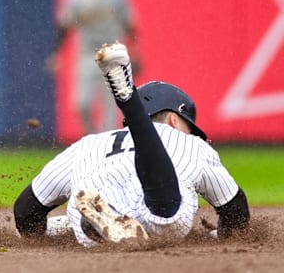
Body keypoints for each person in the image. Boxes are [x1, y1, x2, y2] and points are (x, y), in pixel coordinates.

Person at [14, 42, 250, 246]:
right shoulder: (191, 144)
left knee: (82, 209)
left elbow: (25, 211)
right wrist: (216, 236)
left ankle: (104, 220)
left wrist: (52, 235)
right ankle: (127, 98)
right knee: (164, 209)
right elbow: (235, 210)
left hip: (89, 223)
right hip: (163, 213)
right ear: (173, 120)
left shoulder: (87, 145)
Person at [49, 0, 137, 134]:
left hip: (113, 53)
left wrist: (136, 53)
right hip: (88, 54)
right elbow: (65, 27)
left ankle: (108, 145)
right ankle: (92, 137)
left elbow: (129, 25)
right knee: (82, 104)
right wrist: (57, 54)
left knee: (111, 107)